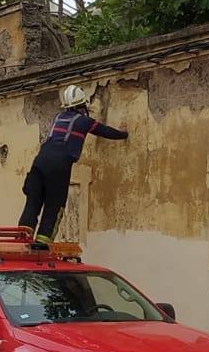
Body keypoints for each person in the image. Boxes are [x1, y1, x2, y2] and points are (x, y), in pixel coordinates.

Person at [18, 84, 127, 244]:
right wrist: (124, 133)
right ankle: (42, 246)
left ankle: (22, 241)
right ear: (82, 104)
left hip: (40, 161)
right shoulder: (84, 121)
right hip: (59, 166)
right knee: (53, 208)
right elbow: (104, 131)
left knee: (33, 202)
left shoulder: (58, 118)